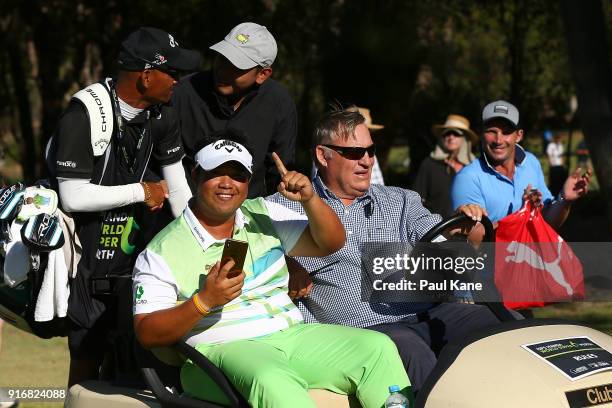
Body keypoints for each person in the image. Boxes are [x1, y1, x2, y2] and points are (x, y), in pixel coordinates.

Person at [132, 131, 411, 408]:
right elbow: (147, 333)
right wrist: (203, 302)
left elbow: (332, 242)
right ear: (195, 175)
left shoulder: (262, 213)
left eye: (238, 175)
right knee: (272, 378)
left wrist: (310, 200)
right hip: (216, 352)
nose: (228, 183)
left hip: (289, 336)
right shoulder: (162, 250)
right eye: (217, 172)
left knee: (377, 348)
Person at [267, 107, 501, 395]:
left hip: (423, 310)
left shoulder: (400, 200)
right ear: (322, 156)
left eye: (370, 150)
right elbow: (251, 254)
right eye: (354, 153)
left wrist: (463, 228)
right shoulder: (283, 208)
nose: (366, 160)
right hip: (361, 329)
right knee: (410, 350)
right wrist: (287, 266)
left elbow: (442, 238)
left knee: (493, 323)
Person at [46, 27, 200, 386]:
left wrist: (201, 236)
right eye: (173, 74)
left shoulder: (163, 115)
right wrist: (140, 192)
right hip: (85, 265)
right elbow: (73, 196)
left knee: (137, 372)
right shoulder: (82, 114)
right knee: (86, 364)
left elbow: (177, 190)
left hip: (137, 264)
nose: (178, 82)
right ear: (146, 76)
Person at [173, 22, 296, 198]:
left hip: (250, 215)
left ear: (263, 74)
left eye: (237, 66)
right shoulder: (184, 93)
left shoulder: (279, 103)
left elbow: (279, 172)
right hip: (186, 210)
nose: (223, 70)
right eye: (222, 58)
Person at [451, 100, 591, 227]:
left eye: (506, 132)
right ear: (481, 134)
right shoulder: (468, 177)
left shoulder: (531, 162)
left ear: (519, 135)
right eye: (492, 131)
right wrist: (523, 214)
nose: (498, 140)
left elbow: (547, 222)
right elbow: (474, 240)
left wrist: (564, 199)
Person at [413, 114, 477, 217]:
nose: (451, 137)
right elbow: (416, 199)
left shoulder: (475, 168)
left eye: (456, 133)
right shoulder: (429, 164)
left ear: (465, 138)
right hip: (435, 228)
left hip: (466, 228)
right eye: (447, 133)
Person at [546, 132, 568, 197]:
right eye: (558, 139)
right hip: (554, 166)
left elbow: (561, 156)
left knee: (560, 181)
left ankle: (560, 193)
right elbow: (549, 155)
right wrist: (551, 164)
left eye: (560, 139)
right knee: (554, 181)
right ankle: (554, 194)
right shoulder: (551, 145)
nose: (559, 140)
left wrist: (562, 164)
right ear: (556, 139)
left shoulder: (560, 145)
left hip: (560, 166)